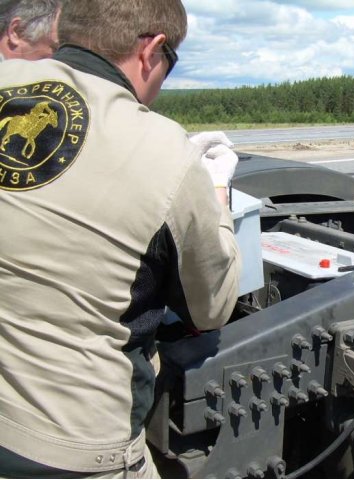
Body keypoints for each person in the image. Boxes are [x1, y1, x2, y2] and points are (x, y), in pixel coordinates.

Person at [0, 0, 240, 477]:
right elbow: (212, 306)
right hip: (68, 441)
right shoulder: (165, 148)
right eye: (170, 64)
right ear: (151, 51)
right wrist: (214, 188)